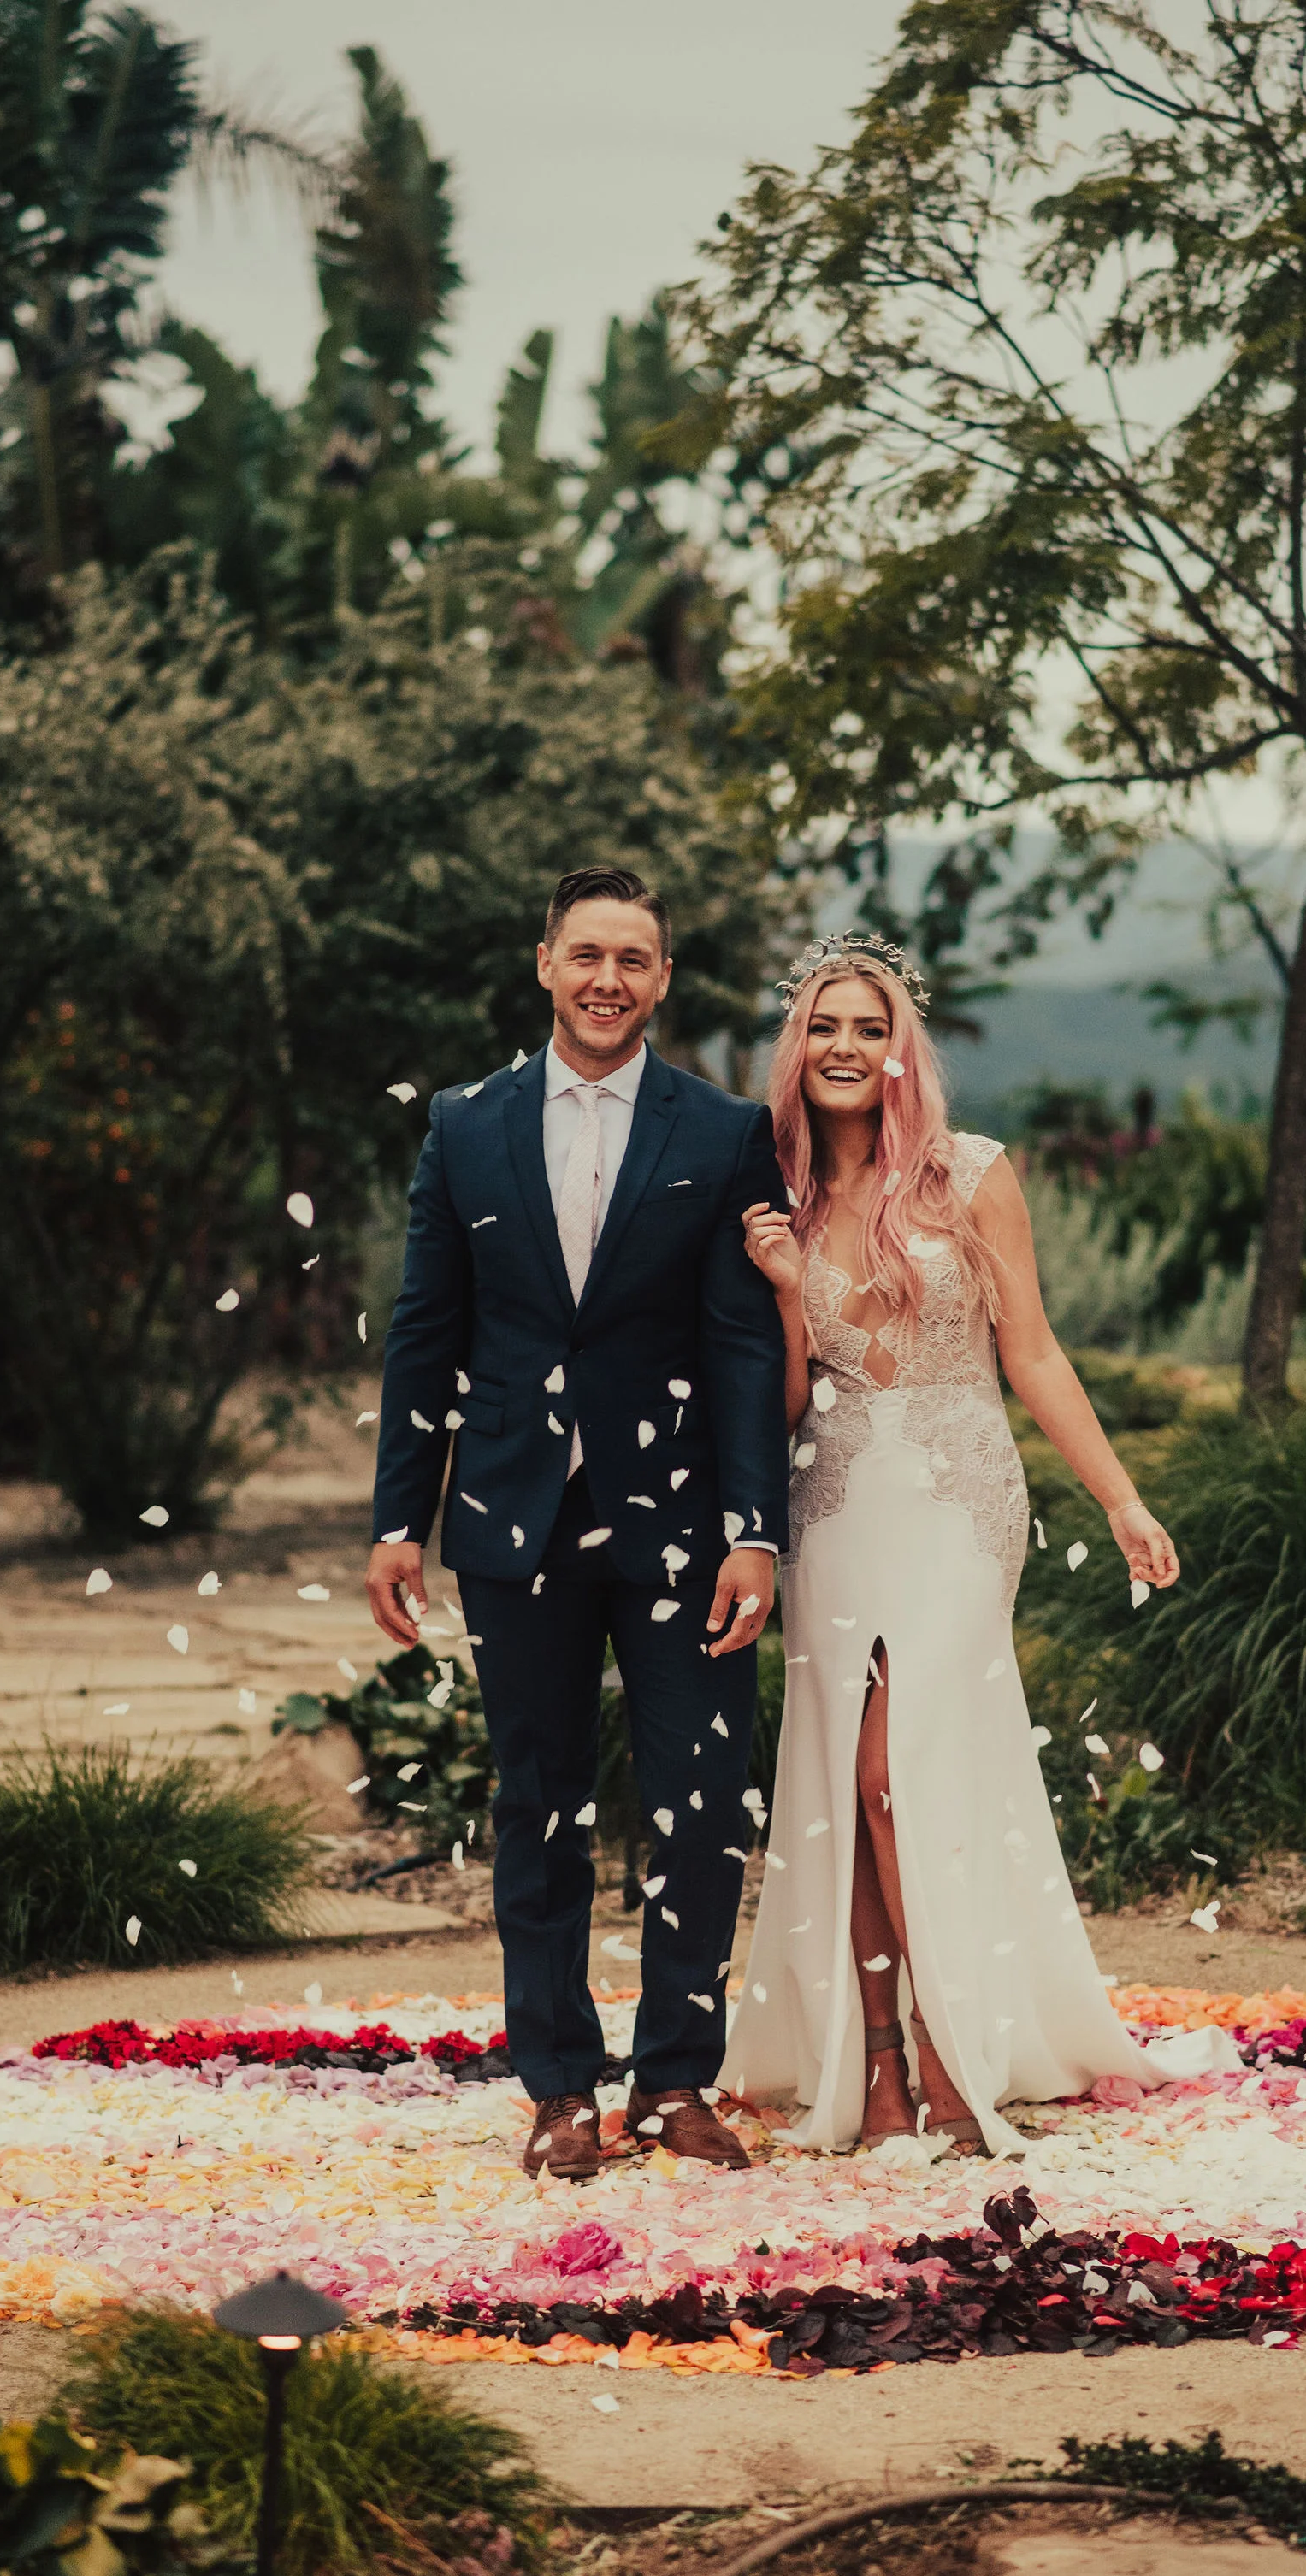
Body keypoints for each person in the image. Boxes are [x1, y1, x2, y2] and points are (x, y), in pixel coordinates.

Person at [723, 934, 1233, 2155]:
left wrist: (1119, 1498)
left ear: (902, 1049)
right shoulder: (774, 1198)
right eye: (825, 1028)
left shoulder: (971, 1175)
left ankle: (958, 2056)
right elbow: (780, 1404)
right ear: (799, 1050)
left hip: (961, 1499)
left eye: (869, 1028)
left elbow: (1035, 1353)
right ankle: (882, 2067)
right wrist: (790, 1291)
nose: (847, 1048)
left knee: (897, 1778)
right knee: (845, 1785)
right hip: (836, 1502)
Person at [365, 865, 789, 2180]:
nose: (609, 979)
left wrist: (755, 1528)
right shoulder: (465, 1125)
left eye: (636, 960)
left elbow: (734, 1344)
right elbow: (428, 1332)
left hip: (680, 1528)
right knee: (539, 1804)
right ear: (542, 962)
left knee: (704, 1802)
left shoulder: (720, 1134)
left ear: (664, 981)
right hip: (510, 1520)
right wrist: (400, 1521)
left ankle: (673, 2082)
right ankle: (559, 2088)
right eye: (586, 953)